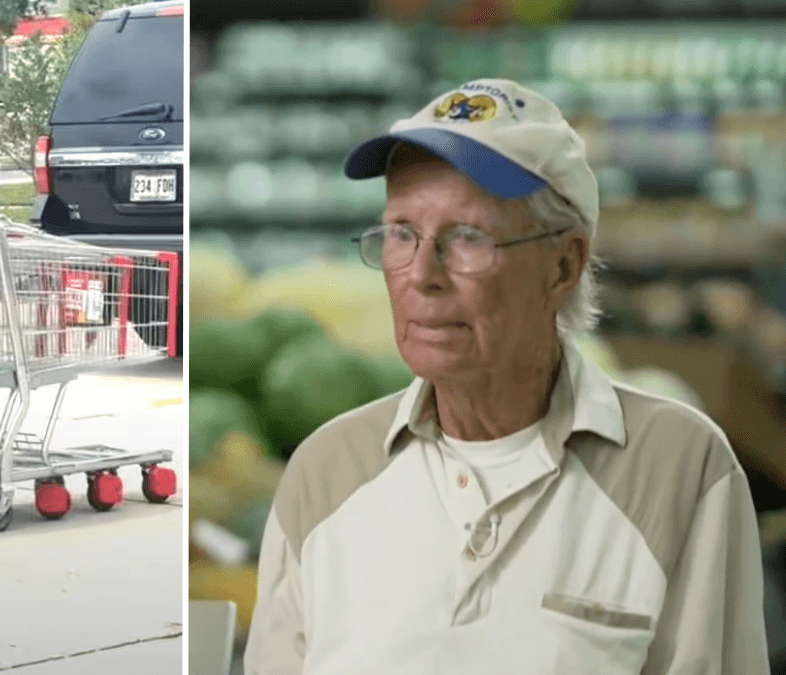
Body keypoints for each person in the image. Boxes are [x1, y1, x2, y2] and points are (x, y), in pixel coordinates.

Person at [243, 79, 770, 674]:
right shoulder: (325, 474)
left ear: (563, 265)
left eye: (468, 237)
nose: (422, 275)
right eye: (400, 234)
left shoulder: (681, 468)